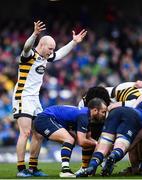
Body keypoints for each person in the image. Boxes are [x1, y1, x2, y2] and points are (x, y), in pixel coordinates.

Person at [12, 20, 87, 177]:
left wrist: (73, 42)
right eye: (50, 48)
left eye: (53, 49)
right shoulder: (29, 55)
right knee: (25, 132)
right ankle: (21, 169)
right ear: (42, 45)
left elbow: (59, 54)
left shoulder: (45, 57)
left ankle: (33, 167)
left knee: (38, 133)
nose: (52, 51)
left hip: (34, 99)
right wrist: (34, 34)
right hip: (22, 96)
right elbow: (26, 47)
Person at [76, 81, 142, 176]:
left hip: (115, 112)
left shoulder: (118, 91)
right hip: (130, 113)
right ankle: (117, 158)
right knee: (124, 142)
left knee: (105, 141)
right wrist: (121, 150)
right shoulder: (120, 92)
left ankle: (91, 165)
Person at [33, 98, 107, 178]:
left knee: (71, 140)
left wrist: (102, 146)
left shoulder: (86, 116)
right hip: (45, 119)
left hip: (50, 119)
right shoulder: (84, 116)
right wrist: (98, 145)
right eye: (103, 112)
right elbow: (82, 141)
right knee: (69, 139)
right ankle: (65, 170)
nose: (104, 115)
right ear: (95, 110)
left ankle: (79, 168)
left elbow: (87, 138)